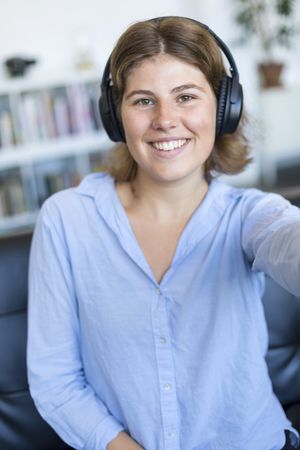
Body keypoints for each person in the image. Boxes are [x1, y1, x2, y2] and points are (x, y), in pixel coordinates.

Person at [27, 16, 300, 450]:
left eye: (186, 96)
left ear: (223, 107)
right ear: (114, 118)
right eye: (143, 101)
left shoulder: (252, 217)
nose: (166, 120)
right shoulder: (66, 219)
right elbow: (54, 381)